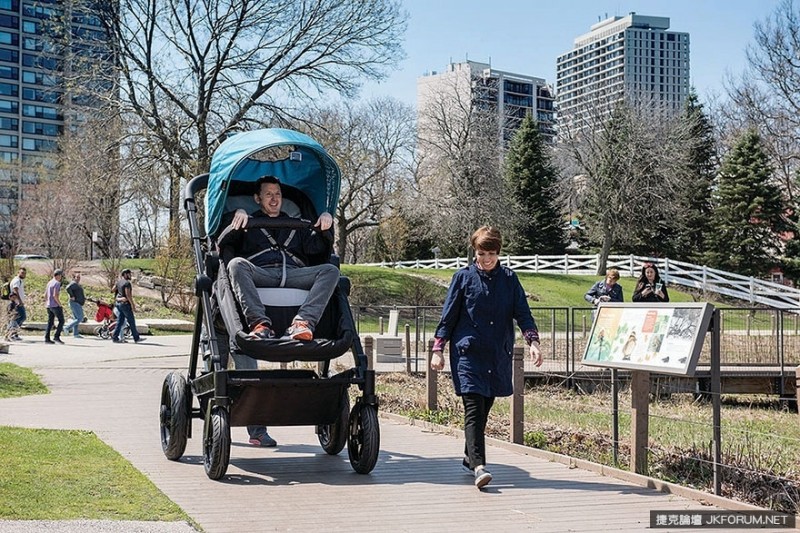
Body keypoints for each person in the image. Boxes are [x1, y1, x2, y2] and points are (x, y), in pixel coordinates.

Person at [223, 175, 338, 448]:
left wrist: (325, 224)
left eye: (277, 194)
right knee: (237, 265)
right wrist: (234, 217)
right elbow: (225, 245)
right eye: (268, 194)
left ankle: (303, 322)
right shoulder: (246, 221)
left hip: (294, 274)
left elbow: (317, 249)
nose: (274, 198)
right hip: (260, 274)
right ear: (258, 198)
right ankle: (260, 323)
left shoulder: (296, 224)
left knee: (330, 271)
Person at [430, 226, 542, 490]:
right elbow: (448, 315)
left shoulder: (510, 280)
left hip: (495, 355)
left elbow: (522, 313)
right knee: (473, 408)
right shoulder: (463, 278)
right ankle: (480, 466)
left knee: (484, 409)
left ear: (498, 252)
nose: (486, 259)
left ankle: (469, 457)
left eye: (491, 253)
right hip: (468, 353)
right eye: (481, 253)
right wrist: (438, 349)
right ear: (475, 252)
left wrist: (533, 341)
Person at [113, 268, 144, 343]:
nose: (130, 275)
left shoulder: (119, 282)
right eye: (129, 274)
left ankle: (115, 337)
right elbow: (128, 295)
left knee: (120, 321)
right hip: (125, 305)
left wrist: (118, 296)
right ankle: (136, 338)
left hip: (118, 304)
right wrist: (133, 305)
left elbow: (112, 290)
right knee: (131, 321)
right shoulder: (127, 283)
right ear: (125, 274)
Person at [44, 269, 65, 344]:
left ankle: (47, 338)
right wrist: (60, 304)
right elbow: (55, 295)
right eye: (61, 276)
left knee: (50, 322)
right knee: (61, 321)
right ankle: (56, 336)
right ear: (58, 275)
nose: (61, 277)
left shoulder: (49, 282)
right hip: (55, 305)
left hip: (49, 305)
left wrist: (46, 303)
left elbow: (45, 295)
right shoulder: (57, 283)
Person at [5, 267, 26, 341]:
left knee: (15, 318)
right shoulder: (17, 280)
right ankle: (12, 333)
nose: (23, 274)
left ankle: (13, 334)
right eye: (22, 273)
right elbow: (15, 290)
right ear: (18, 272)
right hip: (16, 303)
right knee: (21, 317)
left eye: (24, 273)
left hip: (16, 302)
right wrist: (19, 301)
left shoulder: (18, 280)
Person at [64, 272, 86, 338]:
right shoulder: (73, 283)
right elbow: (67, 288)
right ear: (74, 278)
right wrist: (72, 296)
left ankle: (75, 334)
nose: (78, 279)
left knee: (76, 318)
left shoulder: (76, 284)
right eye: (77, 277)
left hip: (77, 303)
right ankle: (67, 328)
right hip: (75, 303)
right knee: (80, 318)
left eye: (79, 277)